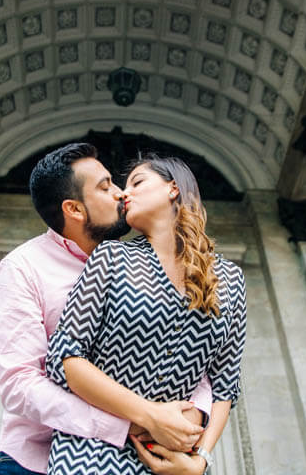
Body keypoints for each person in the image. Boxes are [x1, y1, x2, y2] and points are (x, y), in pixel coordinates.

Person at [0, 143, 212, 475]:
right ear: (75, 209)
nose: (122, 194)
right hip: (34, 462)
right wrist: (134, 421)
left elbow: (192, 353)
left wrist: (194, 419)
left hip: (142, 460)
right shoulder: (23, 267)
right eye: (105, 186)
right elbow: (19, 383)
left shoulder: (144, 261)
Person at [45, 155, 247, 474]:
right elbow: (65, 358)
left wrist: (200, 461)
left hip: (176, 464)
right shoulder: (111, 257)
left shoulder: (231, 279)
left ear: (173, 188)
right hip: (91, 453)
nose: (125, 194)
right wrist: (149, 414)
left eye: (137, 183)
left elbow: (225, 385)